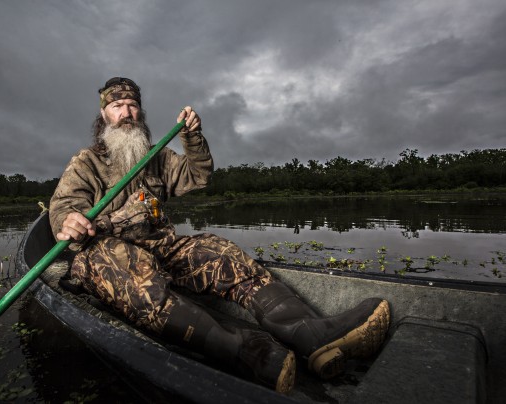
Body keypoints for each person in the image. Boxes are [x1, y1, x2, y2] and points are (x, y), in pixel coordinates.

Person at [49, 77, 390, 393]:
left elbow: (197, 175)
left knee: (218, 251)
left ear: (141, 111)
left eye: (132, 105)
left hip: (160, 248)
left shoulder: (158, 156)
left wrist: (192, 138)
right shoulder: (86, 162)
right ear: (104, 115)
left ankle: (310, 334)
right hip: (108, 258)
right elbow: (65, 205)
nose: (126, 113)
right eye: (117, 106)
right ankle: (247, 352)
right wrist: (70, 220)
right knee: (130, 271)